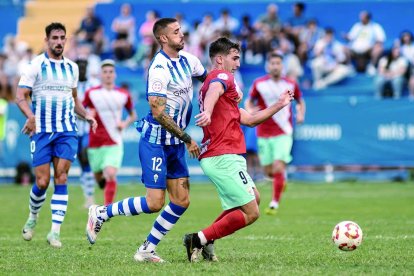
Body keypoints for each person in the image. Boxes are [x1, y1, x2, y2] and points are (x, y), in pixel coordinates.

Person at [86, 18, 206, 263]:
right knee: (155, 202)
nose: (182, 35)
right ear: (163, 38)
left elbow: (210, 80)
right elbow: (158, 113)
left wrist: (228, 85)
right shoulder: (159, 69)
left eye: (181, 30)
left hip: (174, 143)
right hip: (156, 141)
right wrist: (187, 138)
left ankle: (147, 249)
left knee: (181, 201)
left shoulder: (189, 61)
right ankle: (101, 212)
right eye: (176, 32)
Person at [182, 37, 294, 262]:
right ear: (220, 59)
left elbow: (251, 119)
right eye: (235, 58)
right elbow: (215, 88)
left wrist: (279, 104)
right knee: (251, 212)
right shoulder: (220, 77)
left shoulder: (227, 96)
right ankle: (198, 239)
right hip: (222, 156)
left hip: (227, 155)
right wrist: (210, 112)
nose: (238, 64)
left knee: (254, 197)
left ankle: (206, 241)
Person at [16, 22, 97, 248]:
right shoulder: (36, 65)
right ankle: (33, 217)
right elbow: (20, 96)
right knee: (42, 182)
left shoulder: (71, 67)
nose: (59, 42)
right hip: (41, 131)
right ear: (47, 40)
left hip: (67, 131)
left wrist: (86, 115)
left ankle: (55, 232)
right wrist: (30, 117)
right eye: (55, 38)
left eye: (62, 38)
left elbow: (74, 100)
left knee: (61, 176)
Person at [245, 51, 305, 215]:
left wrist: (300, 113)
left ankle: (274, 203)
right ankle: (281, 181)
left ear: (282, 66)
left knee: (279, 166)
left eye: (278, 63)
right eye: (273, 63)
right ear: (268, 66)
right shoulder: (259, 84)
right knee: (269, 172)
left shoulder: (291, 84)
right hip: (264, 132)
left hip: (284, 131)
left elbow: (300, 100)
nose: (275, 66)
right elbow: (249, 101)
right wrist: (250, 110)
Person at [83, 59, 137, 205]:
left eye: (110, 72)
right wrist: (88, 116)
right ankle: (102, 183)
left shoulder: (123, 94)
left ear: (115, 75)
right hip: (95, 142)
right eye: (105, 72)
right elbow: (80, 111)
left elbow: (133, 115)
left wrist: (124, 123)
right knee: (99, 177)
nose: (108, 75)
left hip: (114, 140)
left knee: (111, 174)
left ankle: (107, 210)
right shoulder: (91, 93)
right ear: (100, 75)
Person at [75, 58, 100, 208]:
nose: (82, 70)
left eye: (84, 67)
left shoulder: (94, 85)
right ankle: (88, 196)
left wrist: (87, 115)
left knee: (85, 157)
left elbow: (97, 107)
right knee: (81, 162)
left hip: (89, 130)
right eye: (80, 67)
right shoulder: (72, 86)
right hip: (73, 129)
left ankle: (90, 197)